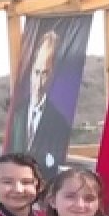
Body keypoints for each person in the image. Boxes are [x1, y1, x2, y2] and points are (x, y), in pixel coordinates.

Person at [8, 31, 73, 176]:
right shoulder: (17, 115)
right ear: (30, 71)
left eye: (45, 74)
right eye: (36, 72)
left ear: (53, 75)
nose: (39, 83)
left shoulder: (60, 123)